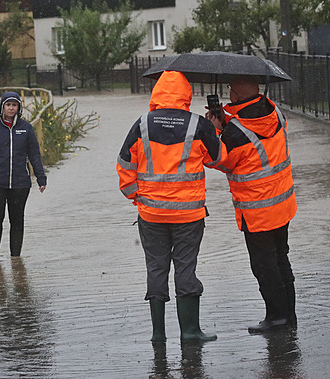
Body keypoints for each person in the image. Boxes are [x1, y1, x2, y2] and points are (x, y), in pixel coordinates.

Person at [116, 71, 226, 343]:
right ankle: (190, 332)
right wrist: (216, 129)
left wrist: (138, 199)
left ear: (157, 94)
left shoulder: (142, 124)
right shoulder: (198, 125)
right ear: (186, 94)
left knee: (156, 268)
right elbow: (217, 159)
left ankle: (158, 334)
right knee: (185, 268)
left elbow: (124, 167)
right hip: (188, 214)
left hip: (151, 214)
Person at [207, 75, 297, 334]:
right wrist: (227, 123)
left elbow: (219, 159)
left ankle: (276, 317)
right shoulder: (275, 112)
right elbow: (257, 137)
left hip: (257, 211)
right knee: (281, 258)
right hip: (283, 204)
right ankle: (289, 315)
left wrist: (215, 130)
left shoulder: (236, 133)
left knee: (263, 265)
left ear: (234, 96)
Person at [0, 92, 46, 256]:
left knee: (17, 221)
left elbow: (34, 154)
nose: (11, 108)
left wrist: (41, 178)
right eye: (8, 105)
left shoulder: (26, 128)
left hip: (20, 184)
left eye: (14, 105)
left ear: (19, 107)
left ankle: (16, 260)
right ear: (2, 107)